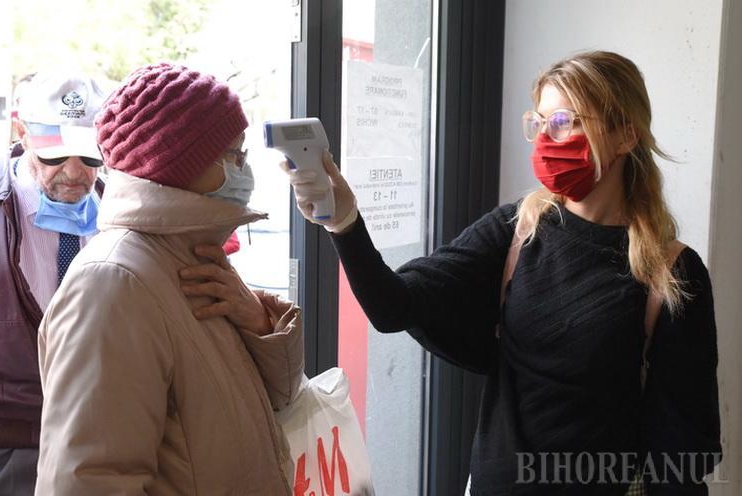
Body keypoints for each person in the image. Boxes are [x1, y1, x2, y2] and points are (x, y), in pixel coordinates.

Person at [283, 51, 722, 494]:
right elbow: (392, 306)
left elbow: (680, 459)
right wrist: (344, 221)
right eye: (540, 123)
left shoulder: (670, 275)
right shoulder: (518, 230)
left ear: (626, 135)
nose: (546, 140)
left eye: (564, 122)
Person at [35, 63, 304, 496]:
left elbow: (279, 403)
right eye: (234, 154)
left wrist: (257, 321)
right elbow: (87, 482)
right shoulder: (112, 284)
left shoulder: (191, 257)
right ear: (179, 163)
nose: (244, 169)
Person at [0, 71, 106, 495]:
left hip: (97, 441)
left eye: (90, 155)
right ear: (22, 131)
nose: (74, 172)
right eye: (56, 153)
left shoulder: (121, 210)